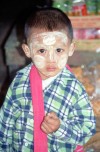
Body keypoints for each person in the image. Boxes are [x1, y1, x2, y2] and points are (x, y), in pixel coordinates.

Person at [0, 7, 96, 152]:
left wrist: (60, 128)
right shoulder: (19, 81)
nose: (51, 60)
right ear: (28, 51)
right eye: (42, 50)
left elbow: (87, 130)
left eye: (58, 50)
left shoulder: (74, 89)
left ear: (70, 49)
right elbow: (5, 121)